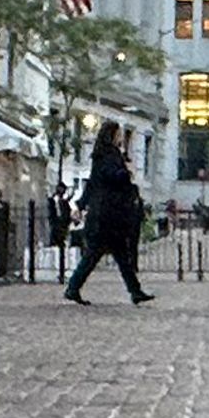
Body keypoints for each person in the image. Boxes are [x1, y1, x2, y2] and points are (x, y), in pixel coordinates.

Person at [63, 120, 153, 305]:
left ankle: (135, 290)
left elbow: (92, 184)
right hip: (107, 215)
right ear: (112, 135)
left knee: (119, 255)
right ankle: (73, 287)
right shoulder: (108, 156)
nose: (121, 137)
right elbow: (111, 177)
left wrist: (81, 205)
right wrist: (126, 173)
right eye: (119, 134)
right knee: (98, 254)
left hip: (107, 214)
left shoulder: (103, 156)